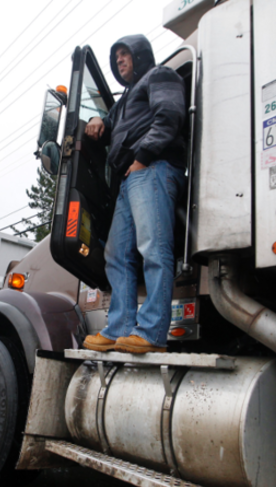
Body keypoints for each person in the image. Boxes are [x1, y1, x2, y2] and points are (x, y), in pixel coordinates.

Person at [83, 34, 186, 354]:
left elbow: (169, 116)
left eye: (125, 54)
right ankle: (120, 329)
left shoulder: (160, 75)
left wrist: (142, 158)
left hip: (153, 167)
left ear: (140, 55)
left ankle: (153, 332)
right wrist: (98, 118)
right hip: (131, 178)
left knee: (154, 248)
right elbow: (109, 121)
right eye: (116, 59)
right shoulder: (125, 99)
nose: (119, 61)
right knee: (115, 255)